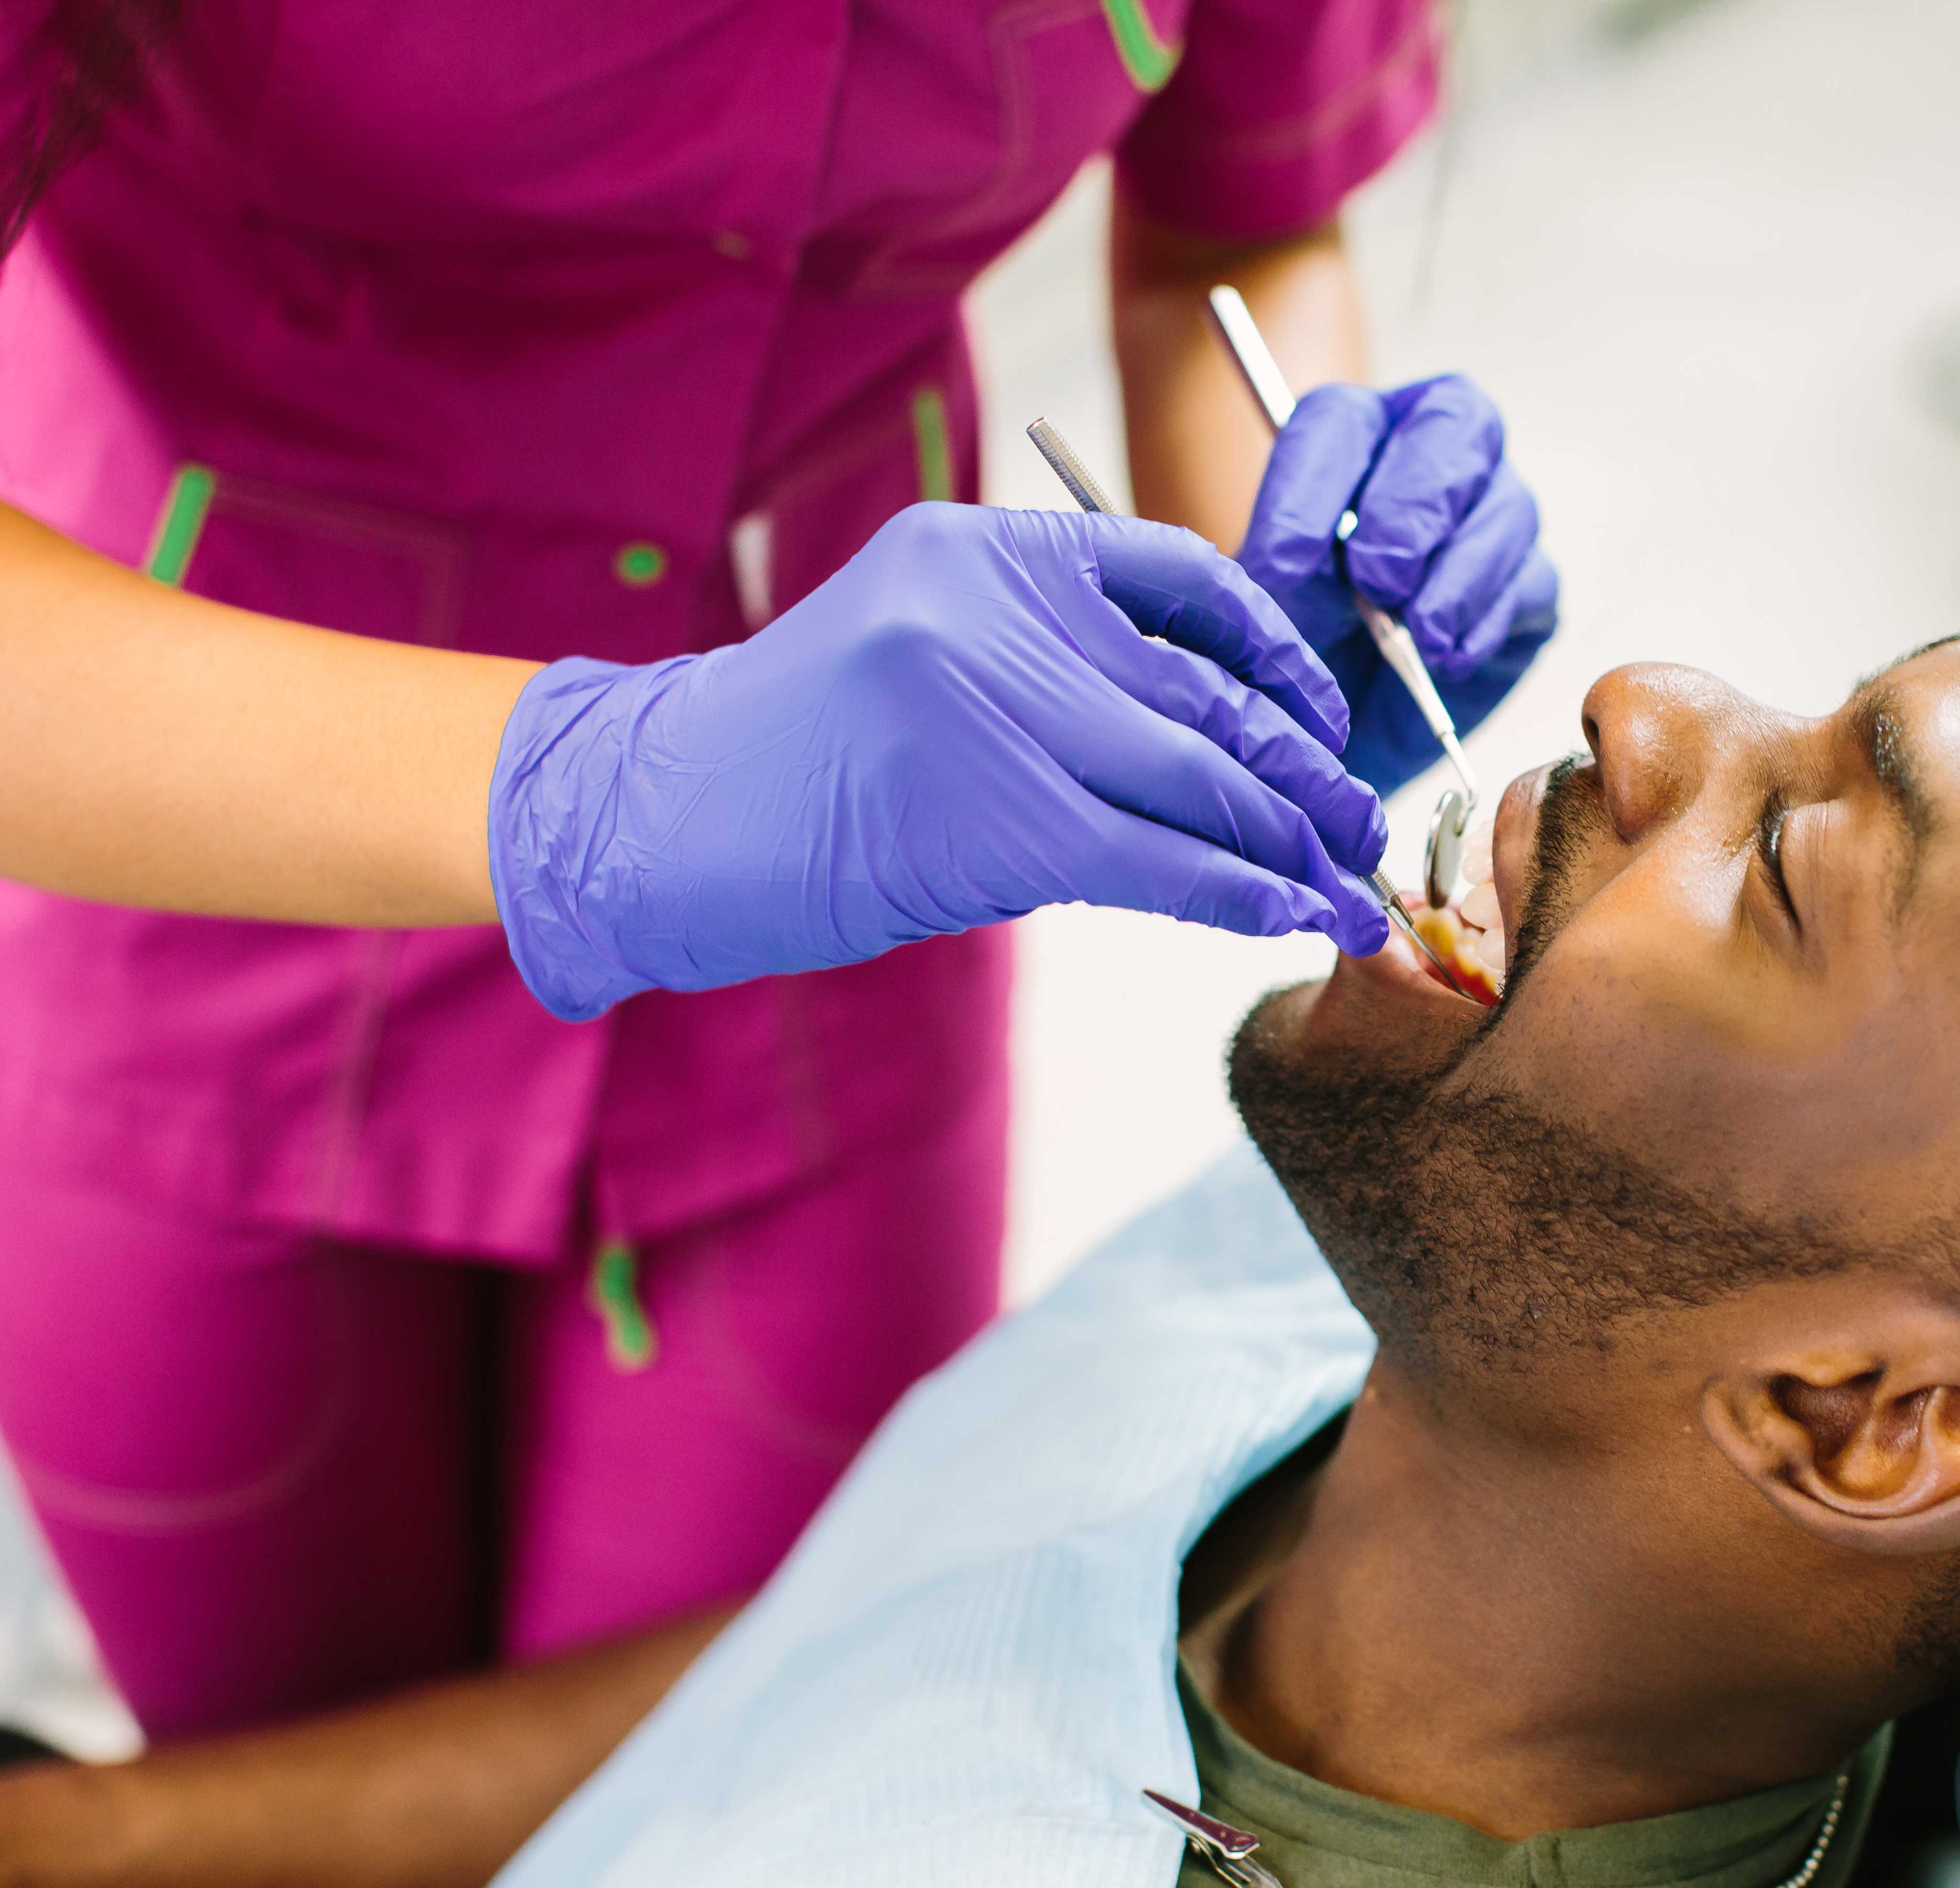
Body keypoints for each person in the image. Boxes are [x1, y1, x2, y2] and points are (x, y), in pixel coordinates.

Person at [0, 638, 1960, 1888]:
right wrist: (89, 1850)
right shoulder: (1454, 1325)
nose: (1638, 709)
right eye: (1807, 715)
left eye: (1780, 862)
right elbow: (892, 1639)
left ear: (1858, 1424)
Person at [0, 0, 1557, 1758]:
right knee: (280, 1811)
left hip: (861, 874)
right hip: (188, 839)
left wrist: (1286, 539)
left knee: (748, 1756)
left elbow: (1231, 212)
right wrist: (588, 795)